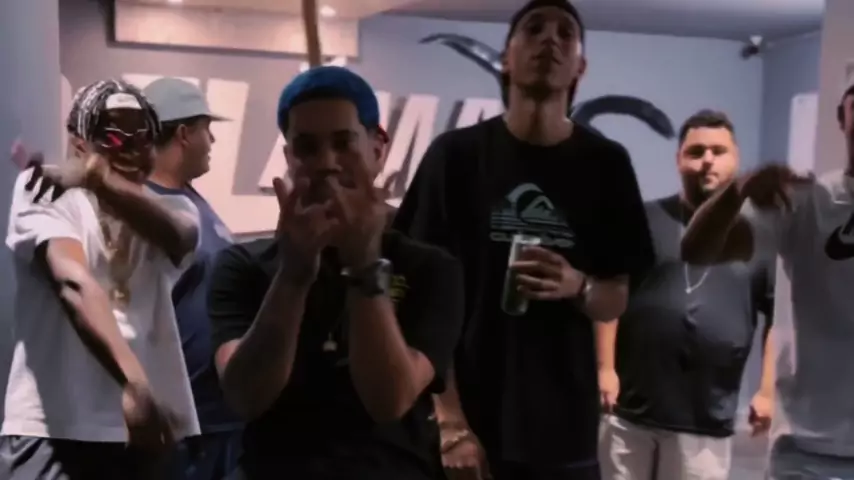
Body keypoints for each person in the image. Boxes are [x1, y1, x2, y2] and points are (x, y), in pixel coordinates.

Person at [393, 1, 655, 478]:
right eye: (534, 29)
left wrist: (578, 286)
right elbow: (420, 302)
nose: (550, 39)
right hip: (465, 427)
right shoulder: (454, 158)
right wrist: (451, 423)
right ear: (506, 59)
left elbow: (614, 299)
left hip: (563, 432)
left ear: (580, 67)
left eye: (565, 33)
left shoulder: (606, 165)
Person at [206, 66, 465, 479]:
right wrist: (293, 277)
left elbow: (390, 399)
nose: (326, 163)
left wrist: (364, 265)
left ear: (377, 149)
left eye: (343, 143)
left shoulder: (430, 268)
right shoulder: (244, 265)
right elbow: (245, 397)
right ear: (289, 159)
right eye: (307, 147)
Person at [1, 79, 200, 479]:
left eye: (143, 136)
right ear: (80, 144)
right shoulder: (45, 189)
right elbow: (73, 283)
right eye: (113, 134)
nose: (131, 147)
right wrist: (135, 383)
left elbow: (181, 237)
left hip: (143, 435)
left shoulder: (173, 209)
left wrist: (96, 178)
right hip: (56, 428)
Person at [681, 85, 854, 479]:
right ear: (842, 118)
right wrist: (738, 189)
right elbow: (698, 251)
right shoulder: (805, 200)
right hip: (807, 453)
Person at [598, 110, 775, 480]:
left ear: (736, 159)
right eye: (696, 151)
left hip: (706, 419)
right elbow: (611, 291)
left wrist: (767, 391)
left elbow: (778, 319)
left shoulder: (759, 237)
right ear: (678, 159)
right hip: (629, 411)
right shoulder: (642, 219)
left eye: (718, 151)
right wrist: (605, 369)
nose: (707, 159)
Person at [142, 77, 243, 480]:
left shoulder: (190, 197)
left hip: (220, 420)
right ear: (184, 134)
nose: (212, 140)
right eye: (207, 129)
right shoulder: (145, 210)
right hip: (183, 429)